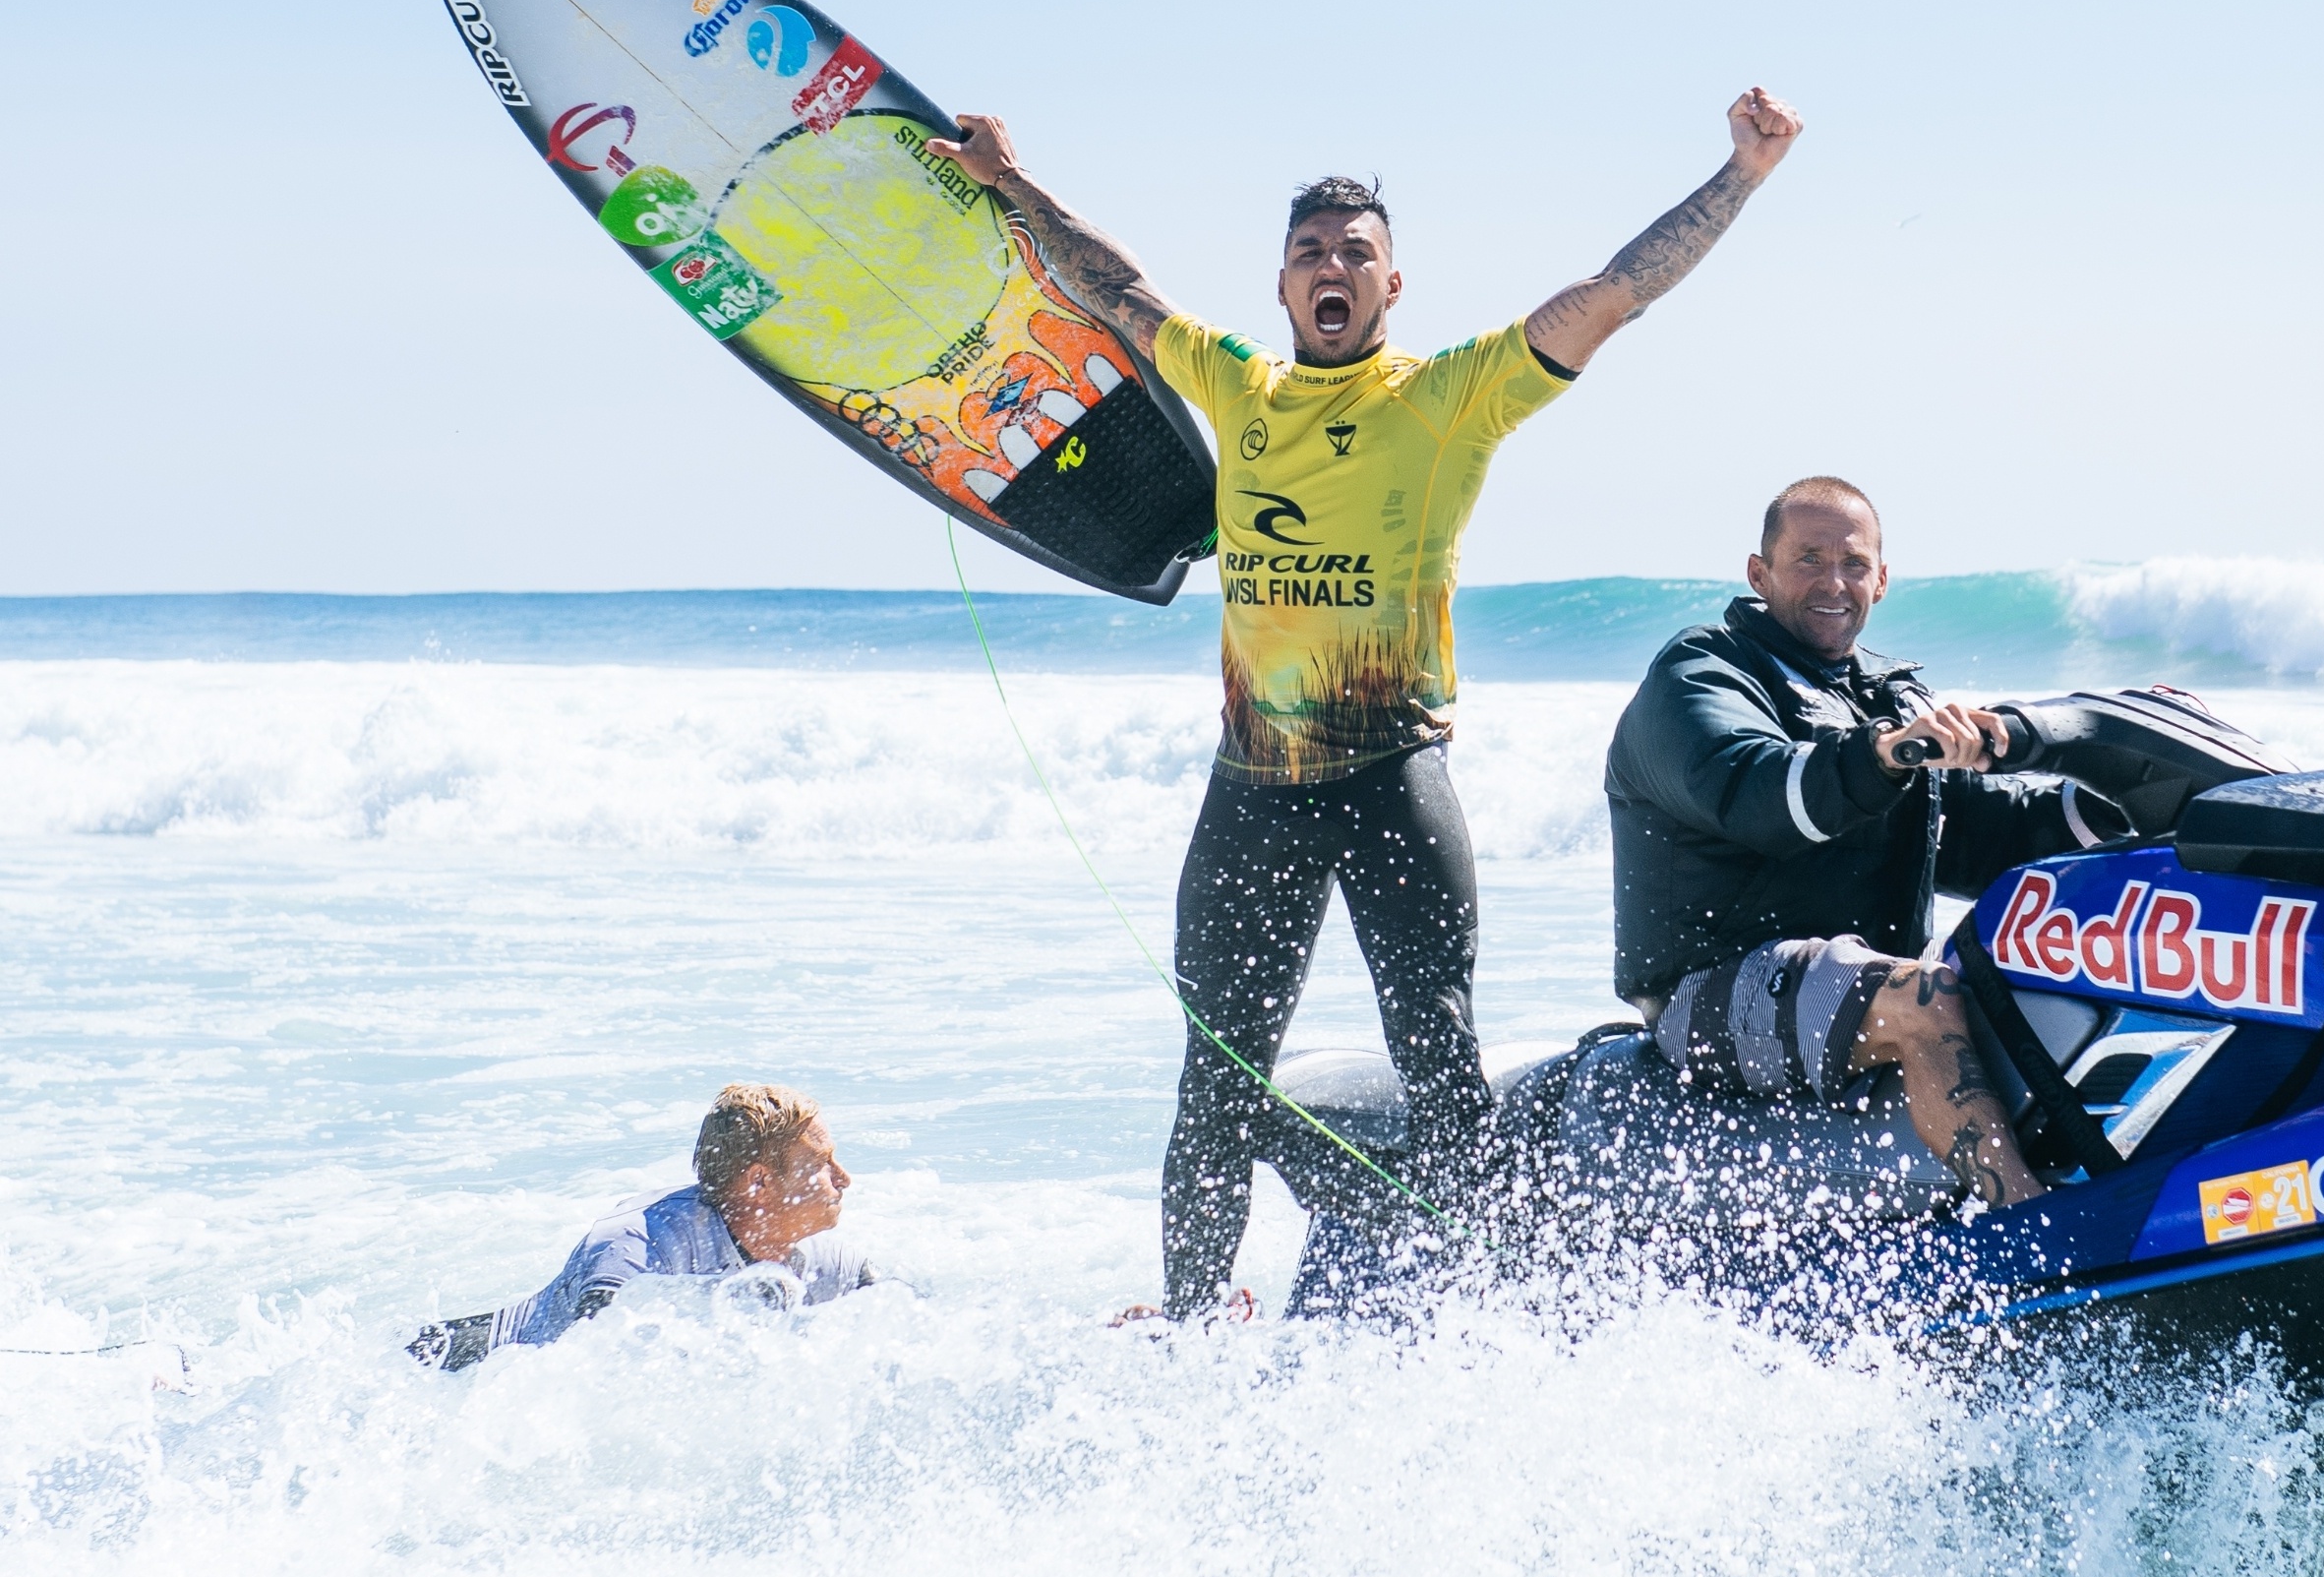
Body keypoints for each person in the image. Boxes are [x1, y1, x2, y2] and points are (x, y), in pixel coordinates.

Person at [927, 91, 1805, 1314]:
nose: (1330, 267)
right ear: (1282, 288)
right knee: (1217, 1075)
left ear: (1393, 288)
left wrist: (1740, 176)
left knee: (1439, 1057)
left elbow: (1613, 292)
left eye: (1355, 254)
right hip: (1253, 793)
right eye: (1308, 253)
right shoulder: (1238, 387)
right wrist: (1012, 183)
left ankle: (1484, 1308)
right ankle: (1189, 1319)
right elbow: (1116, 289)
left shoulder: (1447, 397)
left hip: (1393, 780)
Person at [1606, 478, 2132, 1209]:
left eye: (1853, 564)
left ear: (1881, 581)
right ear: (1759, 574)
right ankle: (2024, 1220)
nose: (1834, 582)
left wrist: (2117, 808)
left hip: (1848, 981)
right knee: (1924, 995)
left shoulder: (1885, 696)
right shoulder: (1701, 673)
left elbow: (1986, 827)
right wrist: (1880, 756)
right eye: (1808, 560)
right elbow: (1756, 791)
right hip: (1707, 996)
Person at [408, 1083, 872, 1369]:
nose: (843, 1178)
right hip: (464, 1366)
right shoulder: (638, 1245)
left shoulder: (830, 1267)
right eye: (821, 1163)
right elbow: (591, 1368)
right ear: (760, 1181)